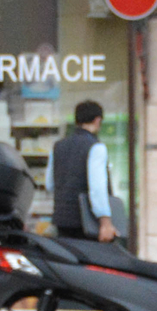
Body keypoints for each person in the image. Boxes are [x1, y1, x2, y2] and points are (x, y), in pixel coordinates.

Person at [49, 99, 117, 243]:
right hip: (87, 224)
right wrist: (105, 223)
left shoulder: (58, 146)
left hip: (61, 221)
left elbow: (50, 184)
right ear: (97, 120)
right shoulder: (96, 147)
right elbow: (97, 188)